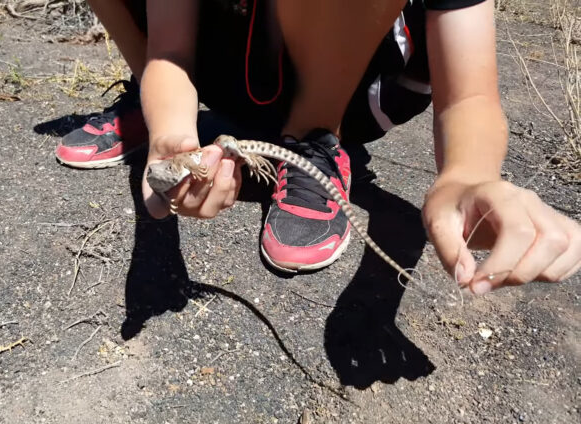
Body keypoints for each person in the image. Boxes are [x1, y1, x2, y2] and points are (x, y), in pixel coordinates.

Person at [55, 0, 581, 295]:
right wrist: (172, 130)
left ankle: (313, 138)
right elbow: (168, 50)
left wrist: (468, 174)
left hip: (350, 78)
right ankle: (147, 102)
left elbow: (468, 96)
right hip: (219, 63)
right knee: (172, 81)